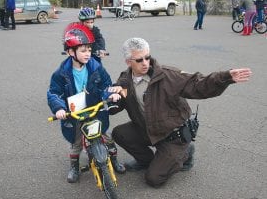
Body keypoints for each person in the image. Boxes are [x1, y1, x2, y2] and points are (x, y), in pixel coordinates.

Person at [108, 37, 252, 188]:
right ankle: (147, 161)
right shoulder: (125, 80)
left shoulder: (168, 76)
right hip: (149, 128)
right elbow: (117, 104)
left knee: (154, 179)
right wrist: (112, 100)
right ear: (128, 62)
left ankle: (185, 153)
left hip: (173, 136)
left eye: (147, 57)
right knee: (119, 133)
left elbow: (198, 84)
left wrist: (225, 77)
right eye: (139, 60)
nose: (145, 63)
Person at [47, 22, 126, 183]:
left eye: (89, 49)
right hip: (74, 113)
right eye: (83, 50)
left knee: (107, 137)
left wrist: (111, 94)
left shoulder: (96, 68)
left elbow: (106, 85)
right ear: (70, 52)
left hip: (95, 109)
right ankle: (74, 166)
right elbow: (54, 93)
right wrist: (59, 108)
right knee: (76, 143)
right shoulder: (61, 73)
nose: (88, 53)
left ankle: (114, 159)